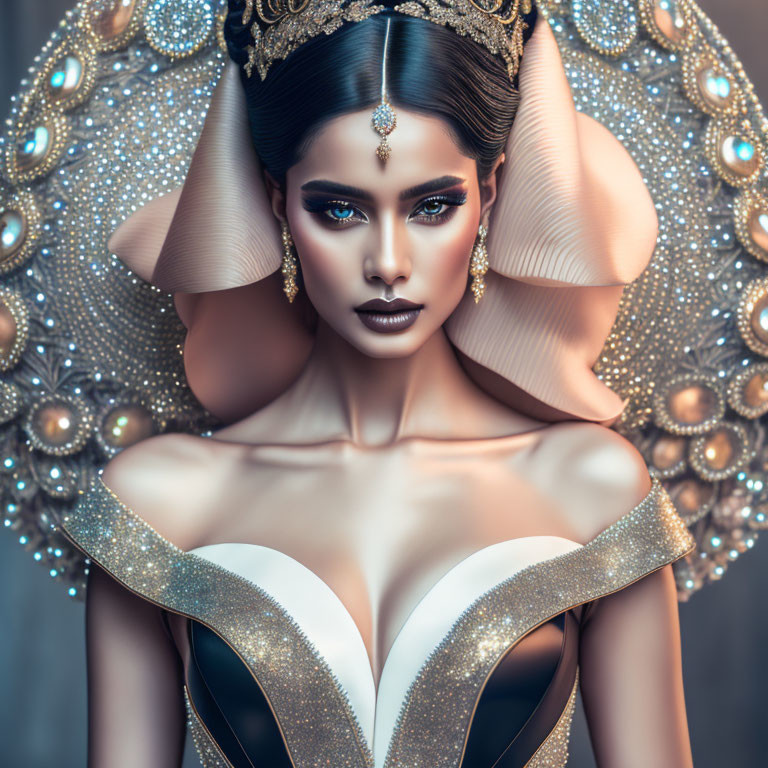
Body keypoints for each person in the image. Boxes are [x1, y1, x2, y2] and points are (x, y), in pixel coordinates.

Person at [4, 0, 766, 765]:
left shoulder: (591, 486)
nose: (389, 262)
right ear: (277, 207)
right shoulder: (161, 503)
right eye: (339, 209)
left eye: (433, 205)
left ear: (490, 197)